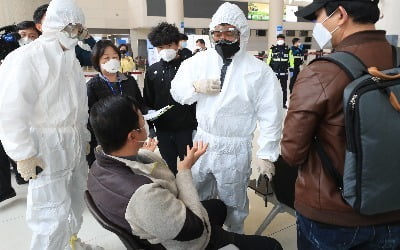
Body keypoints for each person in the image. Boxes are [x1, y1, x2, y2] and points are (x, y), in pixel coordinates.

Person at [87, 95, 283, 250]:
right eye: (141, 117)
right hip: (187, 240)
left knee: (219, 206)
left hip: (156, 220)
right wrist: (184, 170)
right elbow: (195, 228)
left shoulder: (99, 166)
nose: (145, 120)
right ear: (132, 135)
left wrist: (142, 153)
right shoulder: (142, 195)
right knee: (272, 246)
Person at [281, 0, 400, 249]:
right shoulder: (397, 60)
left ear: (341, 15)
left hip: (333, 217)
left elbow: (292, 153)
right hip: (394, 207)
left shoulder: (321, 73)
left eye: (318, 18)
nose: (317, 25)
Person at [170, 2, 283, 233]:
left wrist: (267, 154)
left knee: (233, 200)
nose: (222, 39)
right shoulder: (198, 62)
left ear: (242, 34)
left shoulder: (259, 71)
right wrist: (195, 86)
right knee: (195, 193)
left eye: (229, 33)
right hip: (203, 141)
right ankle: (200, 234)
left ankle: (233, 238)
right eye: (217, 33)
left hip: (235, 147)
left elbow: (271, 115)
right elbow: (177, 91)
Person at [0, 0, 103, 249]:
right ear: (56, 25)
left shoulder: (72, 61)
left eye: (80, 29)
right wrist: (23, 154)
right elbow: (11, 110)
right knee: (49, 212)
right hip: (45, 148)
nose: (77, 34)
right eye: (73, 28)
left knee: (75, 200)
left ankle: (71, 242)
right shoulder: (26, 58)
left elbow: (80, 107)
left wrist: (84, 139)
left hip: (73, 145)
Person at [143, 22, 197, 175]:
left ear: (177, 44)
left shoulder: (187, 68)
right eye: (160, 47)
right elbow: (147, 100)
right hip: (163, 130)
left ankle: (190, 195)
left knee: (189, 167)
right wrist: (151, 128)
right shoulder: (152, 71)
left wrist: (195, 127)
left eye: (169, 45)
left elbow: (196, 99)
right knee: (169, 167)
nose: (165, 50)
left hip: (185, 128)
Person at [87, 39, 145, 166]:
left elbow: (139, 104)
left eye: (114, 57)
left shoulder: (129, 81)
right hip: (109, 142)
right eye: (106, 58)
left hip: (132, 137)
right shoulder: (92, 86)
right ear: (97, 61)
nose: (111, 61)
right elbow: (91, 118)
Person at [267, 34, 294, 108]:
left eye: (281, 39)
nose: (280, 41)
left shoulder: (288, 50)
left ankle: (283, 103)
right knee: (273, 89)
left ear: (284, 40)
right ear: (277, 40)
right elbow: (269, 59)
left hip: (284, 73)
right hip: (274, 73)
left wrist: (292, 68)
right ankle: (272, 103)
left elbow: (291, 60)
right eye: (278, 39)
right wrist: (267, 68)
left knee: (284, 90)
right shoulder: (272, 49)